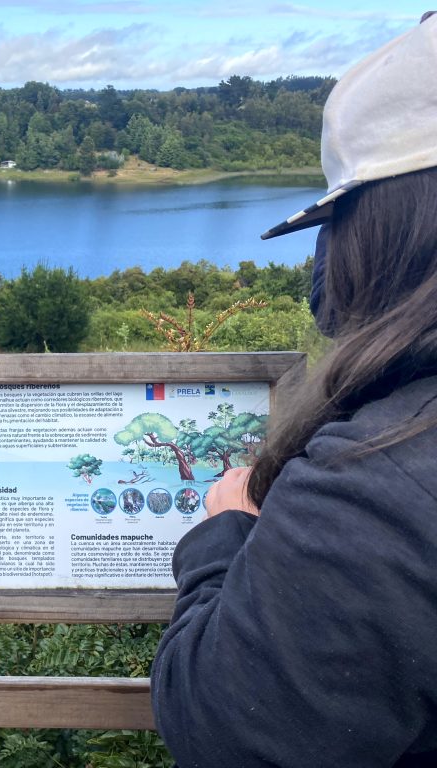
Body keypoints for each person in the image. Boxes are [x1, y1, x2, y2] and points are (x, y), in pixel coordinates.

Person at [151, 14, 437, 767]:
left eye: (335, 222)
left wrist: (228, 533)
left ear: (383, 226)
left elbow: (223, 731)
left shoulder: (375, 481)